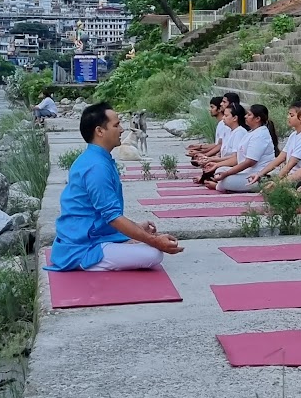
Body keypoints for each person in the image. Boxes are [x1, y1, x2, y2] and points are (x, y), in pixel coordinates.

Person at [50, 103, 182, 271]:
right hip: (81, 245)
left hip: (88, 235)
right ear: (99, 131)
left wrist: (135, 228)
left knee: (144, 243)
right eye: (116, 125)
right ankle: (87, 262)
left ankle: (118, 244)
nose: (121, 129)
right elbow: (112, 216)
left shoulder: (98, 159)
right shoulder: (96, 167)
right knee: (153, 254)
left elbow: (105, 213)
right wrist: (153, 241)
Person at [214, 104, 278, 192]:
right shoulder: (251, 132)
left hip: (257, 174)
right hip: (246, 172)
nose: (245, 116)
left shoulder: (260, 135)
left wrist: (227, 173)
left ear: (257, 119)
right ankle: (223, 185)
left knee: (226, 180)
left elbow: (250, 162)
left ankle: (220, 186)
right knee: (220, 170)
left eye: (249, 114)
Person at [249, 101, 301, 187]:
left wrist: (276, 182)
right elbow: (280, 158)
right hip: (288, 176)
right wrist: (260, 174)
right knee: (259, 180)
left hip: (297, 179)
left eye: (291, 115)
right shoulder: (293, 135)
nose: (288, 117)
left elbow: (291, 163)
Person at [195, 99, 245, 185]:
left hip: (235, 165)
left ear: (235, 118)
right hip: (227, 162)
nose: (223, 118)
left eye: (226, 116)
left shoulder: (239, 132)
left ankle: (215, 182)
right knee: (210, 166)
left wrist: (214, 161)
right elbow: (222, 149)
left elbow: (235, 159)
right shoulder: (231, 130)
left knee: (219, 170)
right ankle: (210, 178)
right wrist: (210, 158)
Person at [188, 95, 227, 164]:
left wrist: (202, 154)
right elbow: (217, 144)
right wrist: (199, 147)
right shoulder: (220, 124)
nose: (210, 109)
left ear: (219, 109)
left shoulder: (223, 124)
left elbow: (219, 146)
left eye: (212, 107)